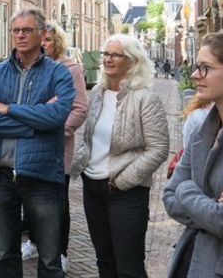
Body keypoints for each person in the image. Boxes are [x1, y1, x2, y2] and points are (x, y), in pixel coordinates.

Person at [0, 7, 76, 278]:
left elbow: (56, 117)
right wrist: (35, 124)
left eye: (27, 30)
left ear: (43, 34)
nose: (20, 35)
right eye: (16, 30)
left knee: (50, 257)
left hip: (42, 173)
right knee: (5, 254)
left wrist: (9, 109)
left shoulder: (59, 74)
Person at [72, 34, 169, 278]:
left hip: (125, 192)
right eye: (105, 54)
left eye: (115, 55)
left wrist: (123, 181)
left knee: (129, 267)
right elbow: (88, 138)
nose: (108, 59)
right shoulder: (96, 94)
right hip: (92, 188)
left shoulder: (145, 98)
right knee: (104, 260)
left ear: (132, 61)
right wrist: (82, 165)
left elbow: (158, 148)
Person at [163, 31, 223, 277]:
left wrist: (186, 188)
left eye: (206, 68)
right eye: (196, 67)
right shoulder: (203, 130)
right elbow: (168, 197)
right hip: (191, 261)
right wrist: (209, 203)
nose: (194, 75)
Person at [19, 22, 88, 273]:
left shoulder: (70, 69)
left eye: (47, 40)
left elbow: (80, 108)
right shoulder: (31, 68)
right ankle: (35, 242)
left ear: (56, 41)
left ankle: (60, 251)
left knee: (57, 202)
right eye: (40, 40)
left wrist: (58, 130)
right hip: (28, 145)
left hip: (57, 148)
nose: (43, 44)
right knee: (30, 199)